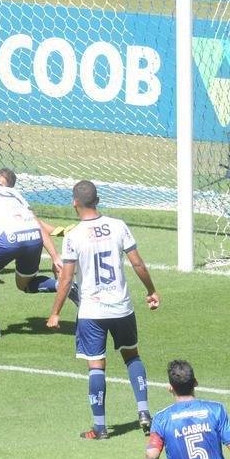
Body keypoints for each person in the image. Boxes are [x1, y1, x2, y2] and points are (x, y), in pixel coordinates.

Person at [47, 179, 159, 439]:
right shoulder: (118, 226)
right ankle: (143, 411)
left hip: (92, 313)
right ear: (97, 200)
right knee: (132, 356)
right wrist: (151, 290)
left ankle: (99, 427)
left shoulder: (74, 235)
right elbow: (138, 263)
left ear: (75, 202)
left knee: (96, 366)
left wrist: (55, 312)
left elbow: (66, 278)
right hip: (122, 308)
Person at [0, 163, 67, 339]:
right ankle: (63, 285)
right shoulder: (13, 192)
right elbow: (36, 224)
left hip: (7, 240)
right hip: (33, 236)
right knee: (25, 284)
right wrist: (55, 256)